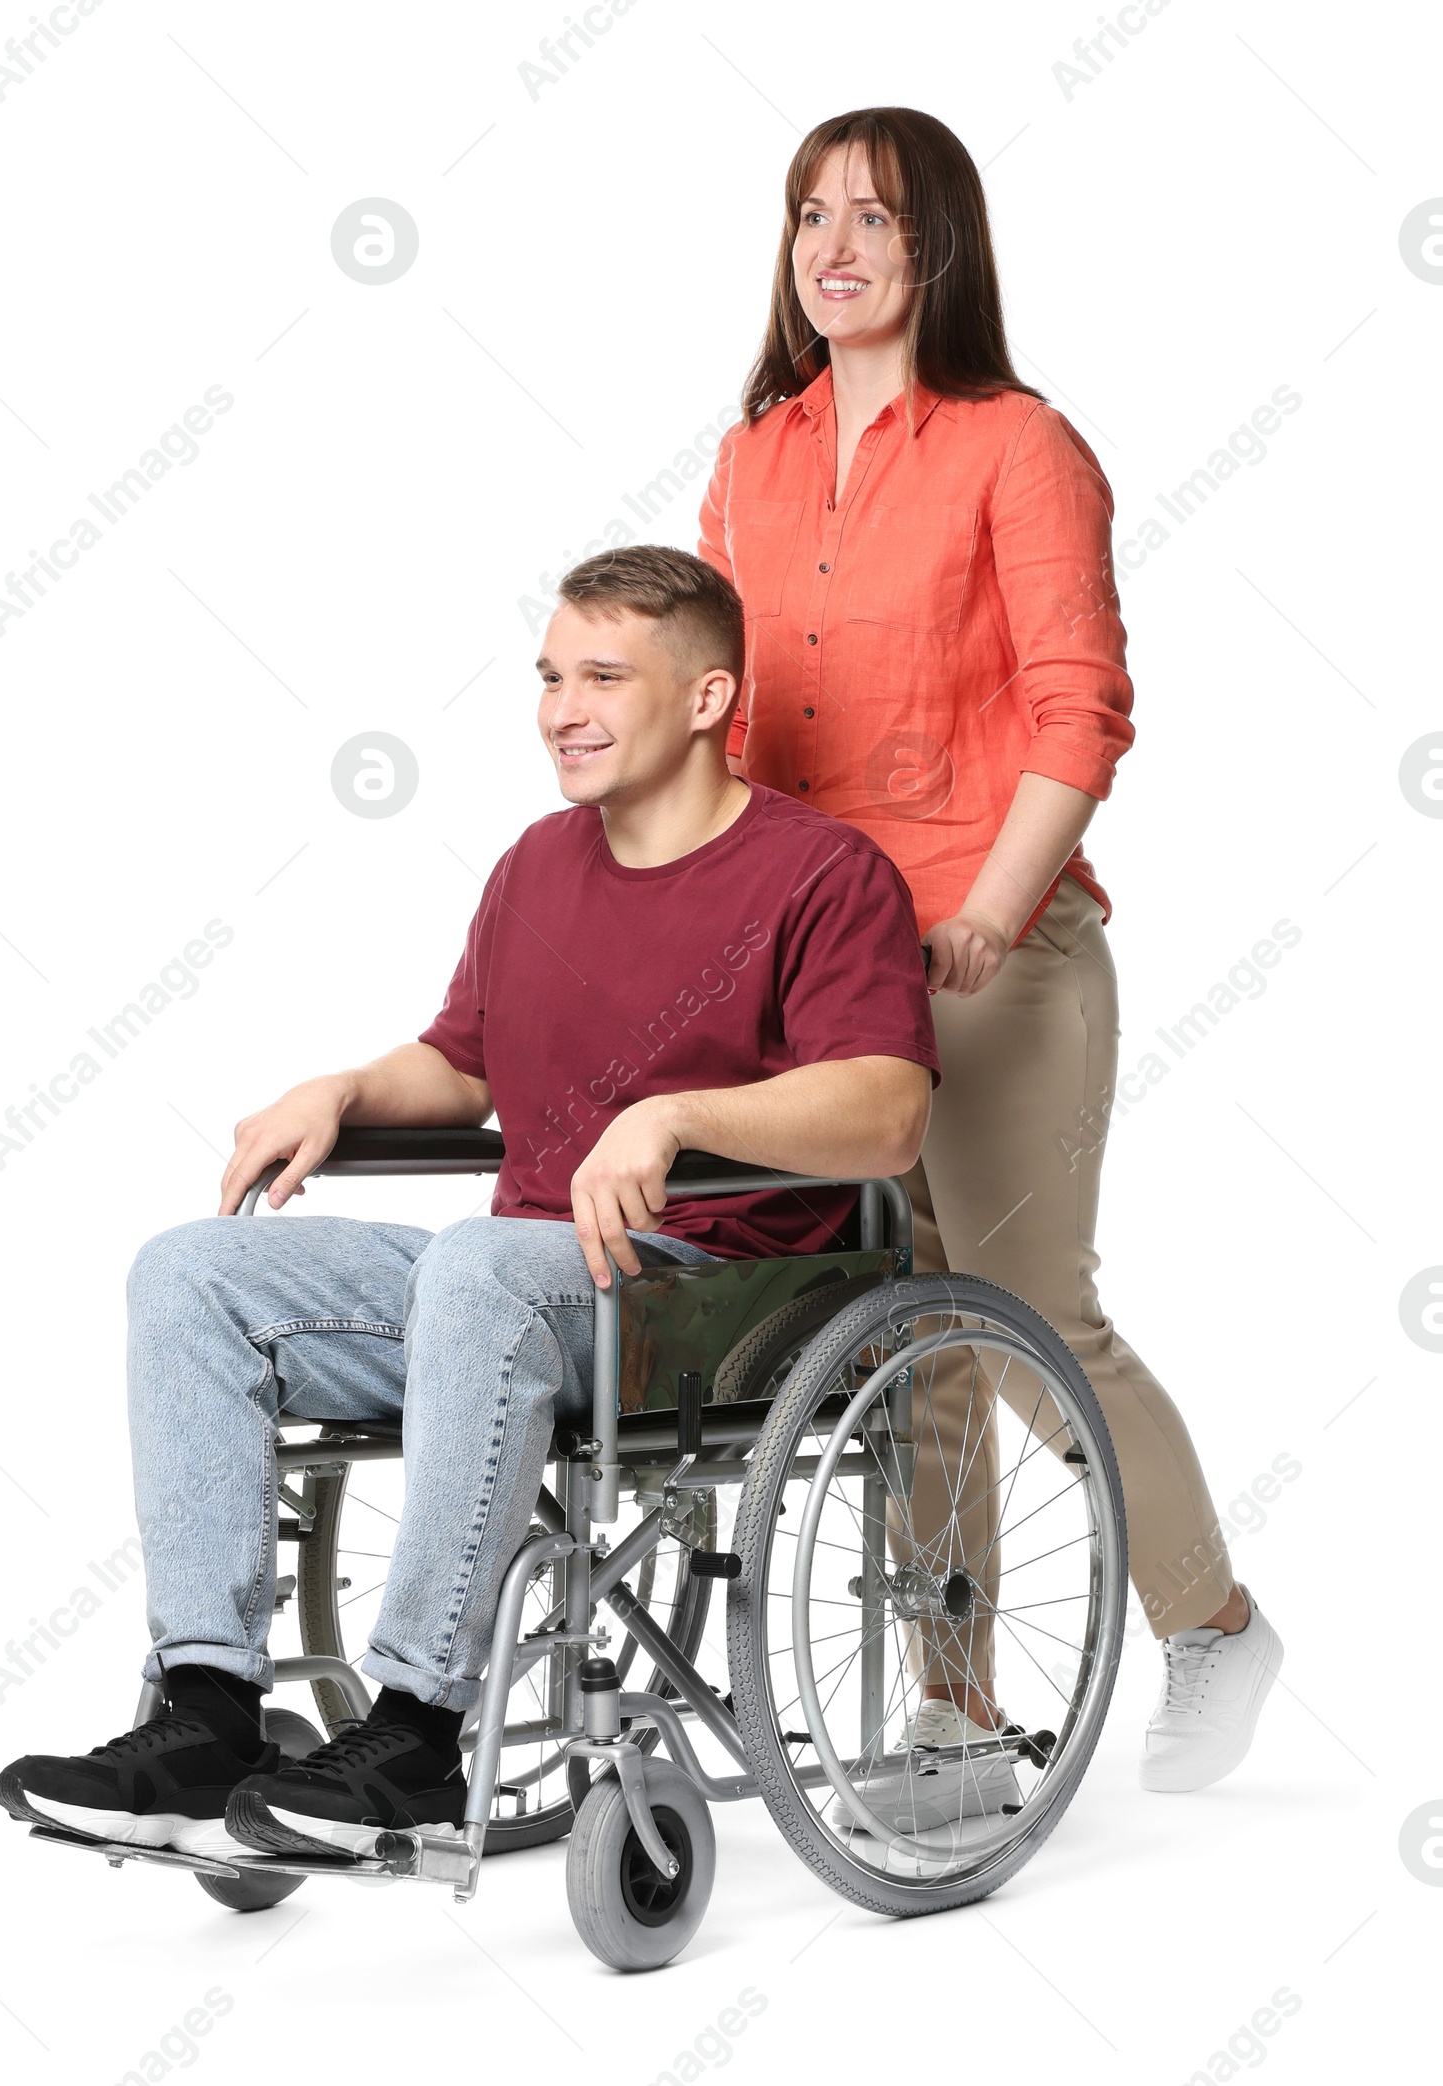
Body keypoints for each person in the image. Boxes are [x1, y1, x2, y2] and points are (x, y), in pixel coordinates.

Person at [0, 545, 941, 1862]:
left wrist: (677, 1116)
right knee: (192, 1269)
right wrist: (350, 1086)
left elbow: (888, 1108)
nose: (563, 706)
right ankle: (209, 1705)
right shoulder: (535, 868)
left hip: (713, 1297)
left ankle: (422, 1728)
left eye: (604, 675)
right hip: (522, 1285)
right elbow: (464, 1059)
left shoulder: (820, 873)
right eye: (551, 674)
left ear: (713, 696)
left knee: (483, 1264)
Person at [697, 106, 1283, 1795]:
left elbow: (1077, 709)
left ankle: (1216, 1625)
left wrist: (988, 909)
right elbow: (743, 733)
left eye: (873, 217)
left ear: (939, 244)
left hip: (996, 949)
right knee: (901, 1336)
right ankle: (951, 1715)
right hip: (829, 966)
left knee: (1031, 1309)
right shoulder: (755, 456)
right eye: (811, 215)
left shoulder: (1016, 444)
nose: (835, 247)